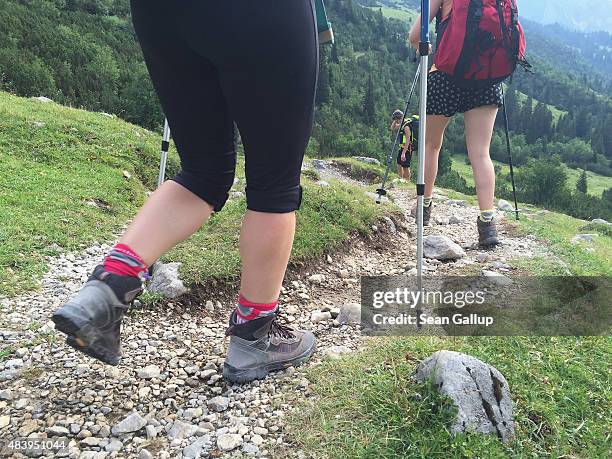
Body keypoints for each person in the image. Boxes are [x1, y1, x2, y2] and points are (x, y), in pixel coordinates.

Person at [51, 0, 318, 384]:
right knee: (274, 184)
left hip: (161, 13)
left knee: (202, 172)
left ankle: (107, 288)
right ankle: (253, 337)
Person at [409, 0, 504, 246]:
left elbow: (416, 34)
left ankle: (424, 207)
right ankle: (488, 225)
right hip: (486, 78)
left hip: (444, 75)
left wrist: (422, 48)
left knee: (431, 145)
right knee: (481, 154)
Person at [389, 110, 417, 182]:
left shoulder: (406, 126)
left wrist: (403, 153)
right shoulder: (402, 124)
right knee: (399, 164)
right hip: (402, 147)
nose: (396, 121)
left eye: (396, 119)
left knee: (405, 166)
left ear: (399, 118)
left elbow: (408, 140)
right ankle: (401, 179)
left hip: (407, 148)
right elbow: (392, 128)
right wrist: (395, 121)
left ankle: (407, 181)